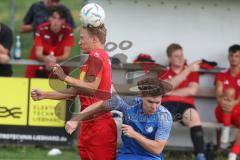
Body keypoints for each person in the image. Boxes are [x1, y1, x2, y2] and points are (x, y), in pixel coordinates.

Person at [62, 60, 201, 160]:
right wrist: (75, 120)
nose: (154, 106)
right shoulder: (129, 103)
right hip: (127, 155)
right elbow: (101, 105)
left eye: (158, 102)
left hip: (151, 157)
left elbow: (158, 148)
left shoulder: (164, 115)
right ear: (141, 97)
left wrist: (135, 134)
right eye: (150, 102)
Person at [31, 23, 117, 160]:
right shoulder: (90, 60)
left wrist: (65, 77)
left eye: (82, 38)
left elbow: (92, 87)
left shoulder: (97, 54)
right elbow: (75, 90)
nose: (79, 42)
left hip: (99, 124)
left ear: (94, 39)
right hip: (88, 123)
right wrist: (45, 95)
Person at [160, 43, 206, 160]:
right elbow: (166, 87)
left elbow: (192, 90)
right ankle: (155, 154)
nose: (181, 58)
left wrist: (170, 93)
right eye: (176, 56)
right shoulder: (163, 71)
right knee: (160, 119)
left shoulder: (193, 71)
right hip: (167, 104)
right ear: (170, 58)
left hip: (186, 105)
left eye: (181, 55)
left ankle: (200, 155)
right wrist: (188, 70)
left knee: (194, 117)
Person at [25, 5, 74, 78]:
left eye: (60, 18)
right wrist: (46, 59)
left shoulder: (68, 31)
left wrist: (54, 59)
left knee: (61, 85)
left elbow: (66, 55)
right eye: (54, 17)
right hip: (40, 65)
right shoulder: (41, 29)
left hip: (59, 65)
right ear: (49, 18)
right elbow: (38, 53)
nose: (56, 21)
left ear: (63, 21)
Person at [215, 44, 240, 160]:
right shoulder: (222, 74)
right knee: (229, 92)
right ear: (228, 57)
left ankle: (232, 154)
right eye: (232, 55)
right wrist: (225, 102)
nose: (234, 58)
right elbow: (218, 95)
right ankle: (226, 126)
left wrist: (233, 103)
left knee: (230, 94)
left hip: (237, 111)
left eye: (237, 56)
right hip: (221, 110)